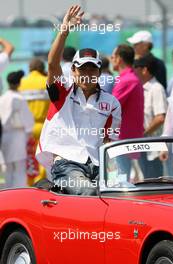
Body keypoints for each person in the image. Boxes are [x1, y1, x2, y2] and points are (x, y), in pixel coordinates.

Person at [36, 5, 121, 195]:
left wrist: (115, 176)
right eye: (82, 69)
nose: (87, 74)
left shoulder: (112, 103)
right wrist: (64, 31)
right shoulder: (63, 90)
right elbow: (51, 64)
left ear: (100, 72)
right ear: (73, 71)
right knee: (89, 192)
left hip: (98, 165)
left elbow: (110, 142)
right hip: (66, 164)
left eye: (92, 69)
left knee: (120, 194)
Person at [111, 44, 144, 177]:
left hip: (123, 141)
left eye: (113, 56)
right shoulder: (129, 78)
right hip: (125, 140)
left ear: (119, 59)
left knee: (121, 181)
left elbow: (110, 107)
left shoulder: (127, 80)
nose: (111, 59)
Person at [134, 54, 167, 178]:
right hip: (143, 146)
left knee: (154, 183)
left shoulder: (156, 89)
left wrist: (142, 134)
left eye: (135, 67)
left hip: (154, 148)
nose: (133, 70)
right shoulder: (141, 88)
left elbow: (160, 117)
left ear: (144, 69)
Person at [18, 58, 49, 186]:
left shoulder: (22, 83)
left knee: (29, 157)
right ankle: (39, 184)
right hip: (43, 126)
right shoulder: (46, 81)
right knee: (42, 157)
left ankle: (29, 184)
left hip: (25, 128)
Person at [0, 71, 34, 188]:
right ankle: (19, 192)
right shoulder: (19, 98)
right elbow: (28, 119)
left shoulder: (2, 98)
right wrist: (29, 132)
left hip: (4, 135)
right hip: (17, 135)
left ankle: (7, 192)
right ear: (19, 83)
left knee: (8, 167)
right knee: (19, 167)